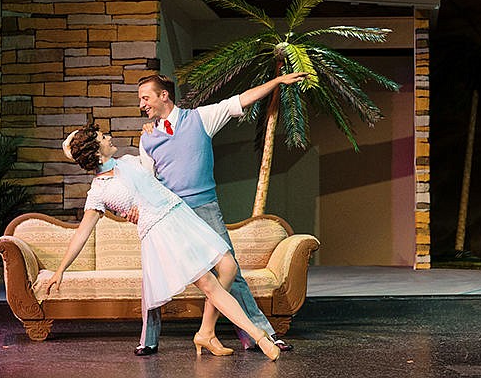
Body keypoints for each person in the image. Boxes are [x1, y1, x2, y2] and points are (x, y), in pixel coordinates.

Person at [46, 123, 281, 361]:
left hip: (179, 215)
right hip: (162, 234)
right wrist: (61, 269)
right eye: (103, 137)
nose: (109, 137)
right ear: (96, 150)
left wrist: (152, 130)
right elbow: (82, 233)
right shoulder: (98, 191)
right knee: (210, 284)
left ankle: (206, 332)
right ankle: (259, 337)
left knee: (229, 266)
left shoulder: (128, 161)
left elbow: (154, 168)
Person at [131, 72, 306, 355]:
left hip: (205, 207)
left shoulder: (201, 118)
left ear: (164, 95)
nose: (142, 104)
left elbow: (241, 100)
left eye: (145, 97)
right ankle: (148, 340)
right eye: (141, 100)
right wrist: (139, 210)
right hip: (170, 215)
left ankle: (261, 336)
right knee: (153, 276)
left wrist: (275, 82)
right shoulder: (147, 138)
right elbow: (147, 181)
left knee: (230, 269)